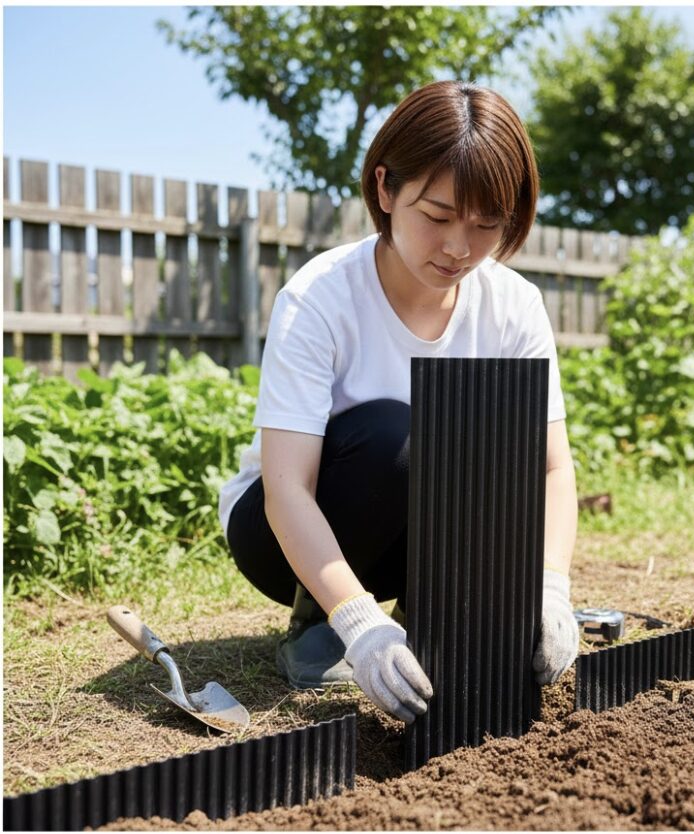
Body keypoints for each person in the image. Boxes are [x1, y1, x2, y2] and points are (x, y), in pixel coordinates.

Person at [218, 80, 579, 725]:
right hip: (284, 533)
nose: (459, 248)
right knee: (400, 431)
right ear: (386, 189)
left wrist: (551, 587)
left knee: (489, 434)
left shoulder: (514, 305)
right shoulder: (321, 297)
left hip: (421, 538)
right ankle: (318, 626)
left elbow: (551, 468)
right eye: (437, 217)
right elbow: (285, 488)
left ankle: (432, 618)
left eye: (486, 225)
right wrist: (362, 625)